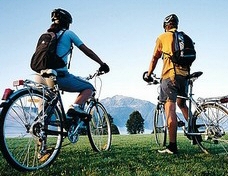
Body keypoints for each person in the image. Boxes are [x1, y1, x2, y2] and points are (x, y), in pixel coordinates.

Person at [39, 8, 110, 117]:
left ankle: (45, 125)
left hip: (42, 76)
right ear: (67, 23)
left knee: (50, 106)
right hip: (60, 76)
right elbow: (87, 51)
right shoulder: (68, 34)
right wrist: (102, 64)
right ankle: (74, 107)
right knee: (89, 88)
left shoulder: (46, 35)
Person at [146, 14, 190, 154]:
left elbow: (154, 58)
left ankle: (172, 146)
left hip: (170, 76)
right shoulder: (184, 37)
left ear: (166, 26)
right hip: (185, 76)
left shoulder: (162, 37)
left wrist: (148, 74)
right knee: (182, 104)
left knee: (169, 108)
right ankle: (194, 133)